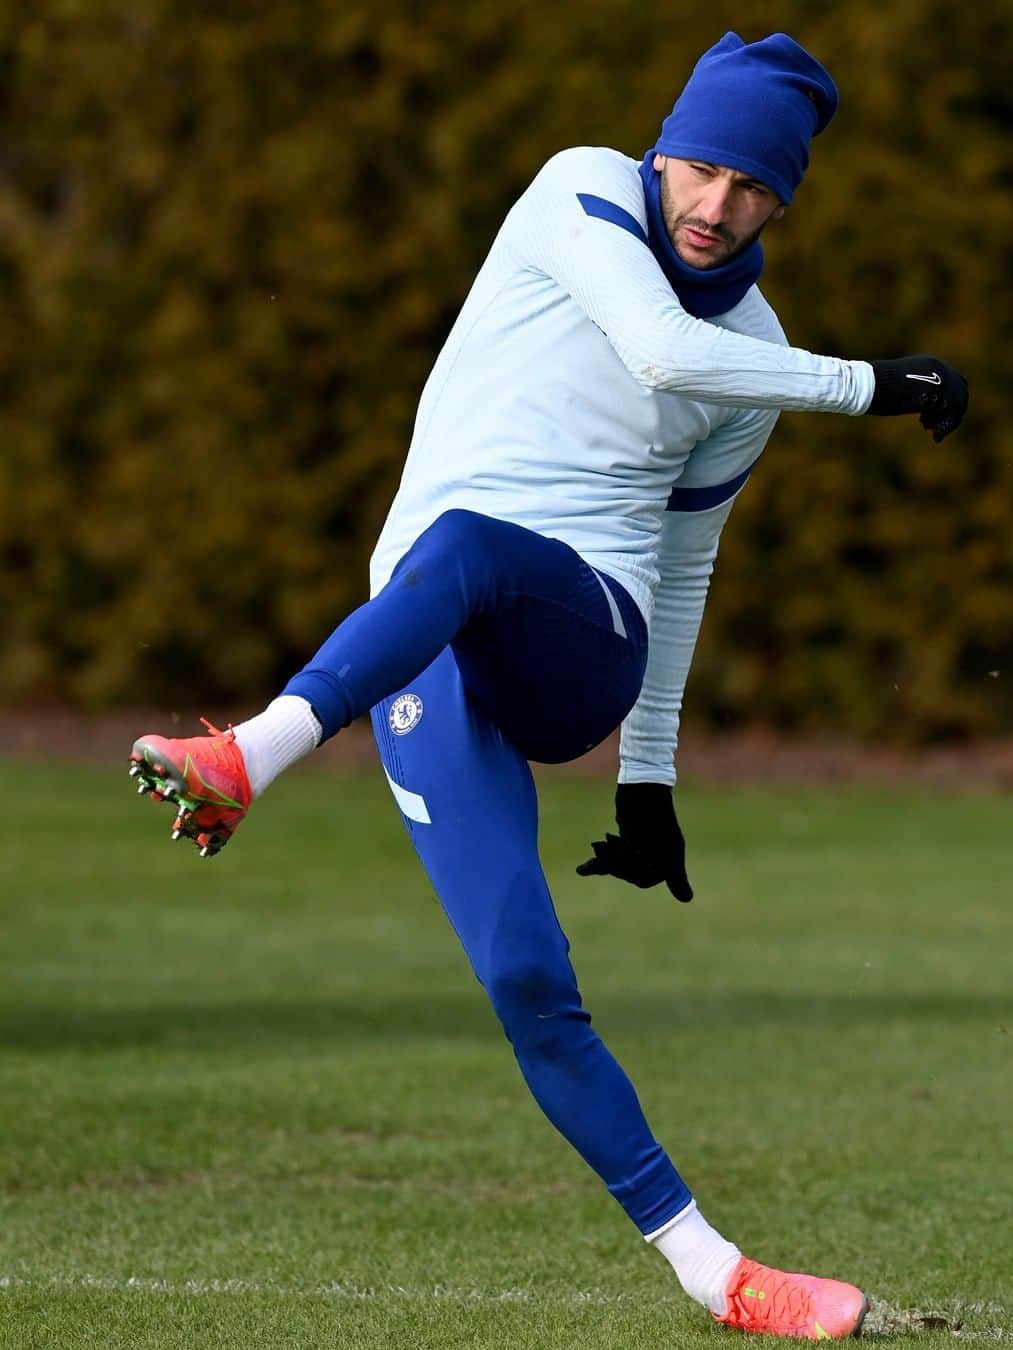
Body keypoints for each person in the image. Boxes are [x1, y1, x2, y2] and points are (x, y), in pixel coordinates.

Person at [129, 32, 967, 1339]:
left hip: (588, 631)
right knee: (525, 974)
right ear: (659, 146)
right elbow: (653, 353)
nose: (714, 206)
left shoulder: (753, 350)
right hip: (422, 631)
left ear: (784, 202)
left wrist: (649, 776)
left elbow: (684, 566)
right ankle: (720, 1272)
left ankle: (251, 757)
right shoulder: (577, 189)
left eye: (753, 190)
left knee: (460, 543)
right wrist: (873, 384)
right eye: (700, 168)